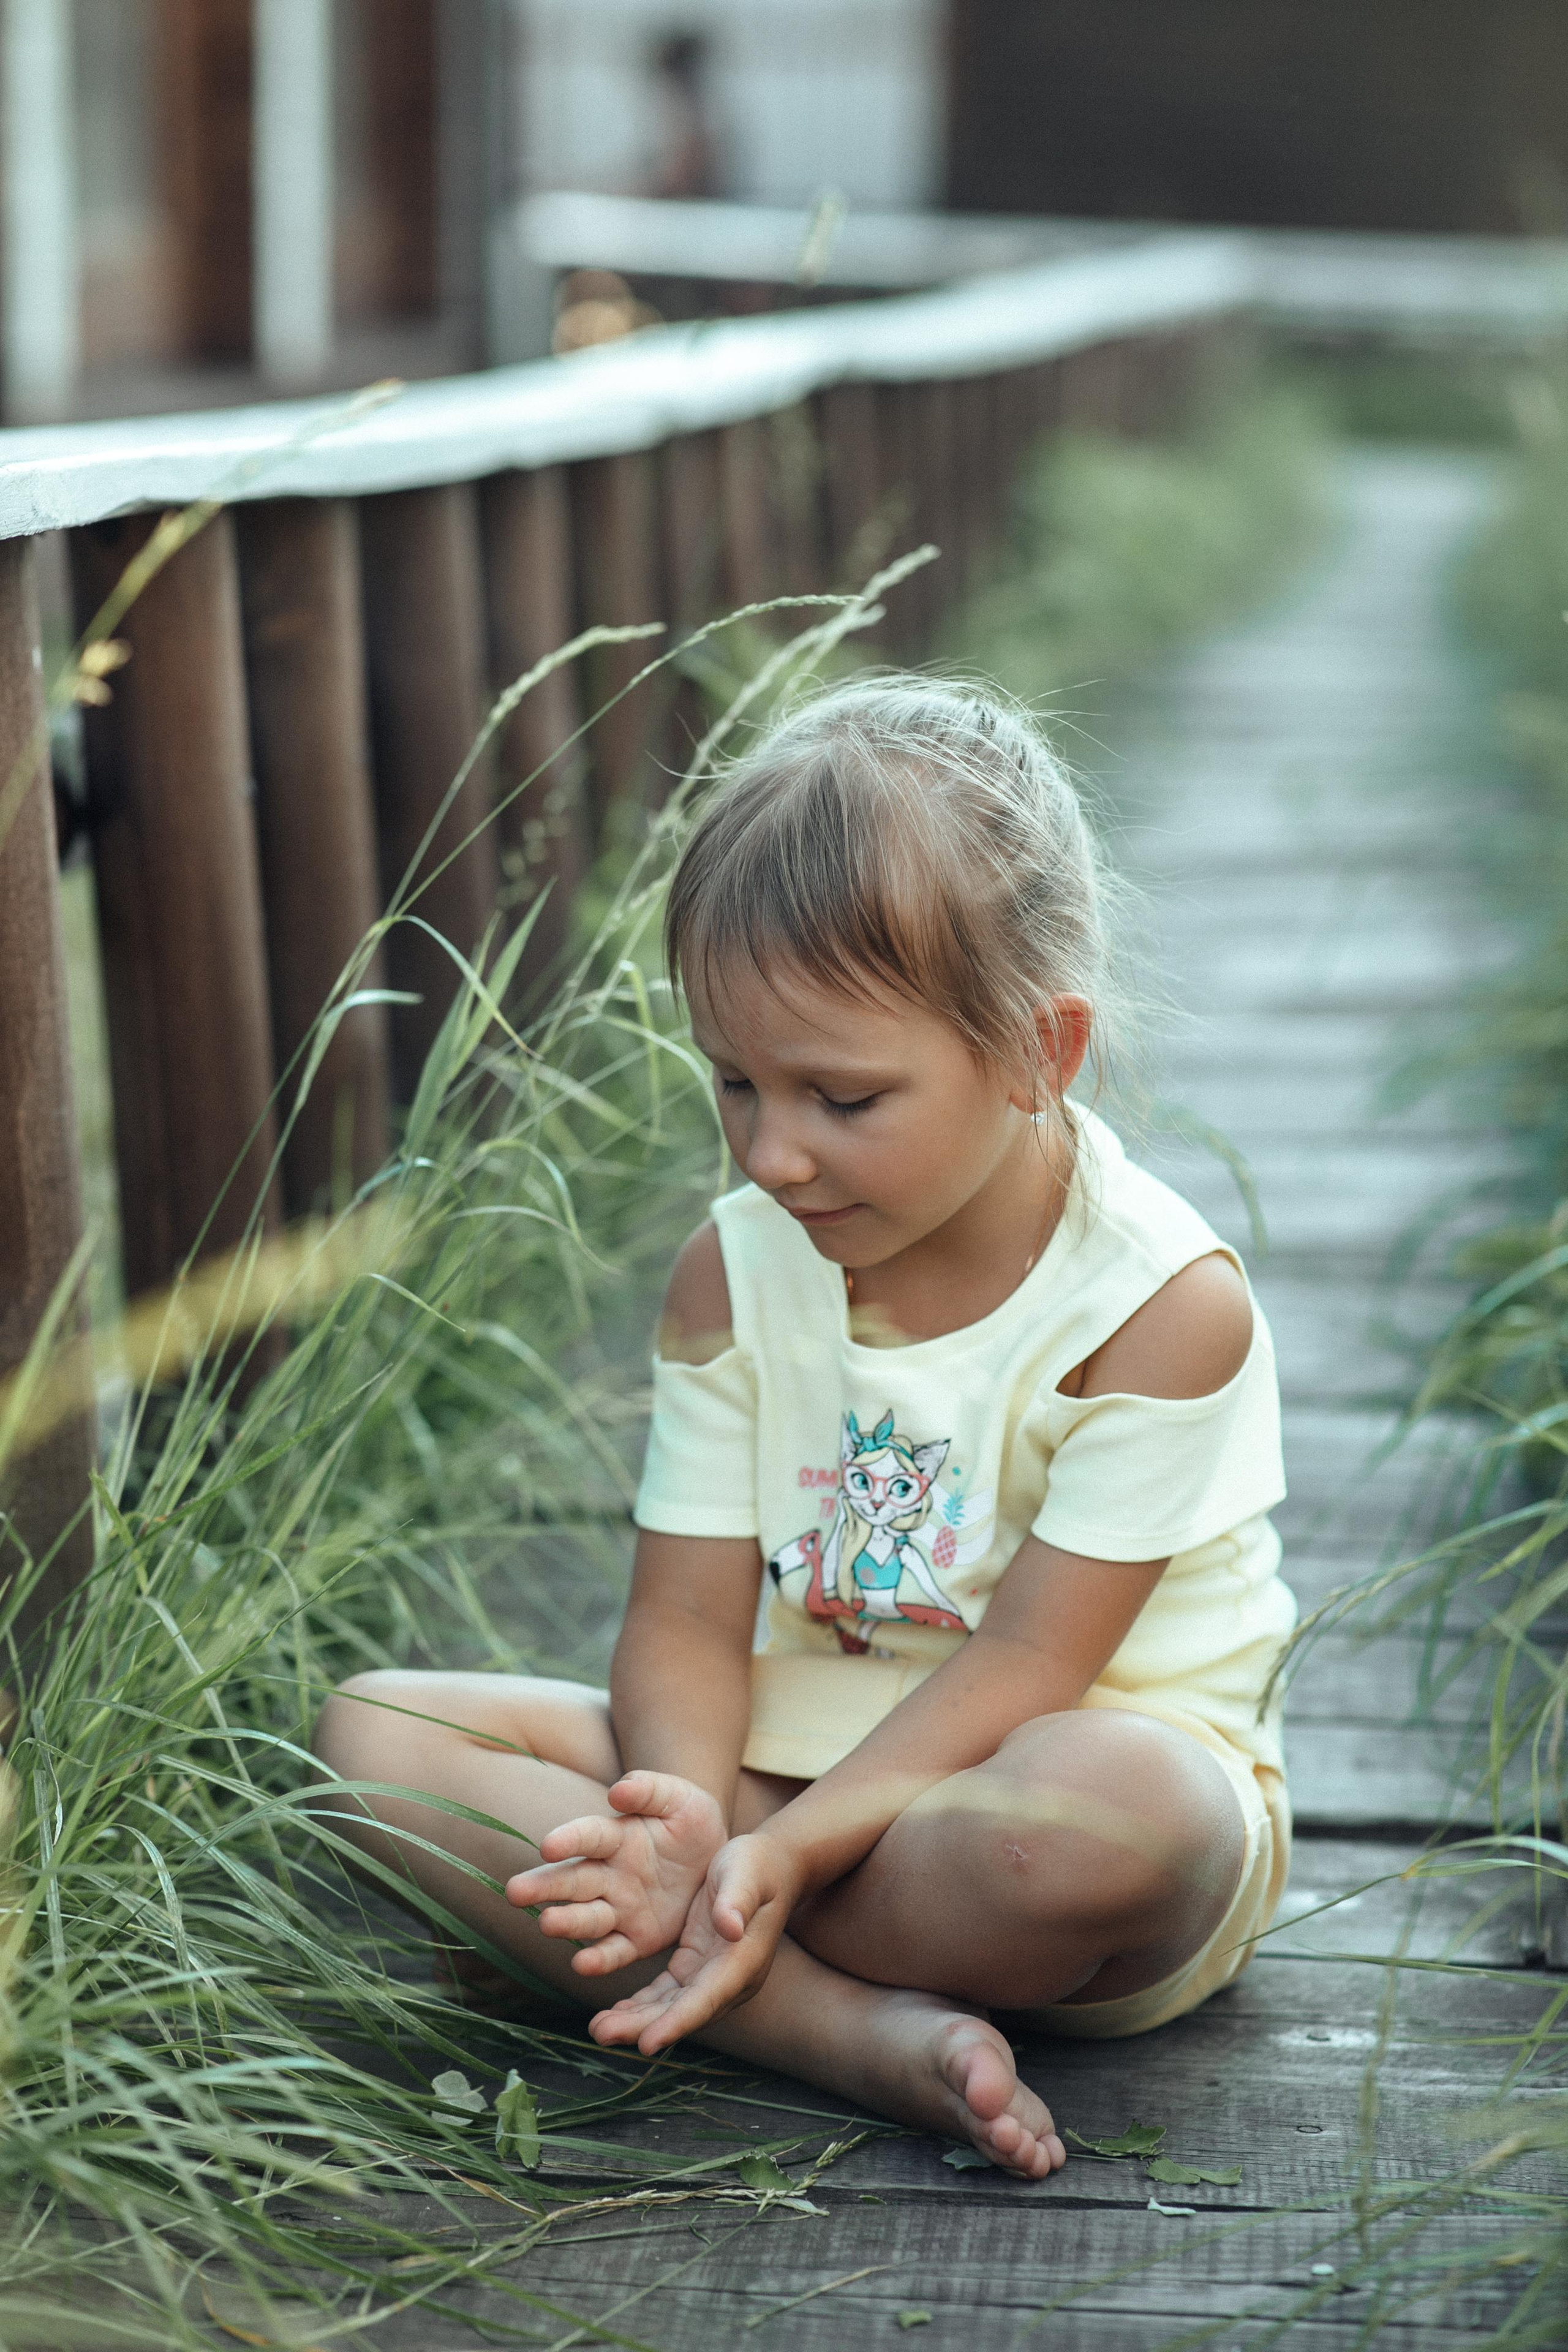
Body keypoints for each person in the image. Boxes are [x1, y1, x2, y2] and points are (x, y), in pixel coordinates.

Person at [312, 679, 1295, 2179]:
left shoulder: (1157, 1307)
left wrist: (768, 1855)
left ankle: (683, 1947)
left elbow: (1029, 1664)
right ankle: (834, 2032)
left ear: (1038, 1052)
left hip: (1017, 1806)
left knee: (1124, 1814)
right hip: (772, 1773)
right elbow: (685, 1621)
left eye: (840, 1097)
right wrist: (681, 1815)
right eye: (734, 1082)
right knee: (375, 1737)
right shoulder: (733, 1270)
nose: (772, 1154)